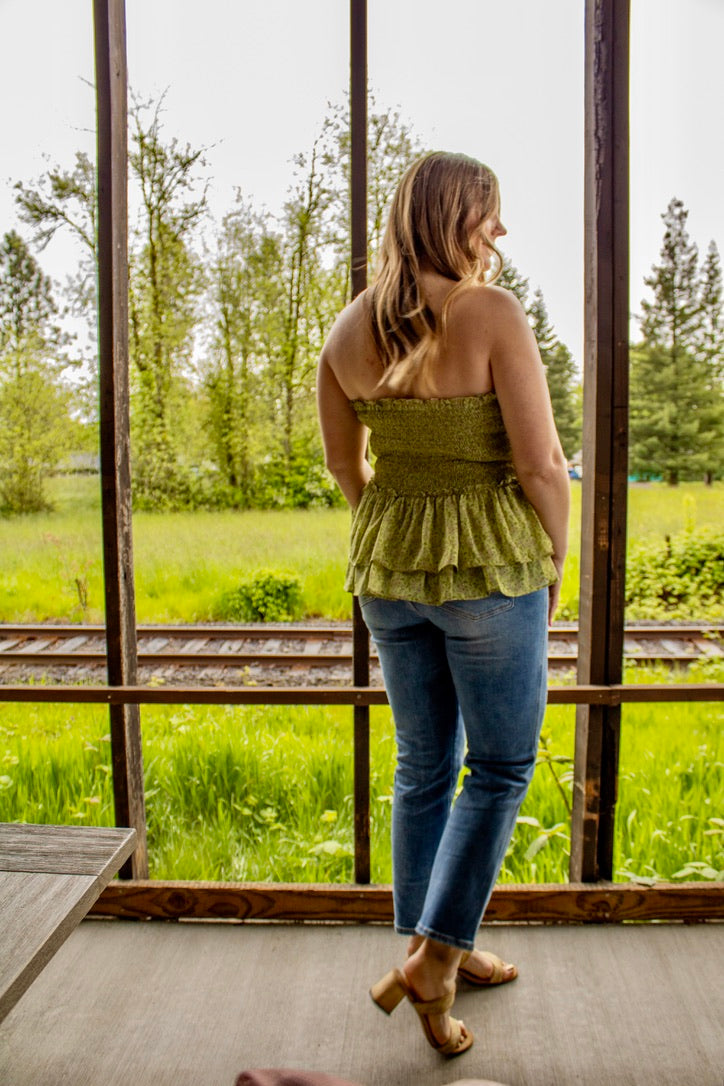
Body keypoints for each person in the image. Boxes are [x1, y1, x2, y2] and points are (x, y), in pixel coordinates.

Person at [316, 152, 570, 1058]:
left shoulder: (345, 329)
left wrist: (396, 532)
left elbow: (348, 471)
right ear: (451, 216)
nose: (498, 234)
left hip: (387, 570)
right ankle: (437, 959)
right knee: (500, 767)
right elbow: (541, 463)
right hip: (488, 569)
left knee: (425, 767)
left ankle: (432, 947)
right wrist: (554, 559)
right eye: (487, 216)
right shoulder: (491, 313)